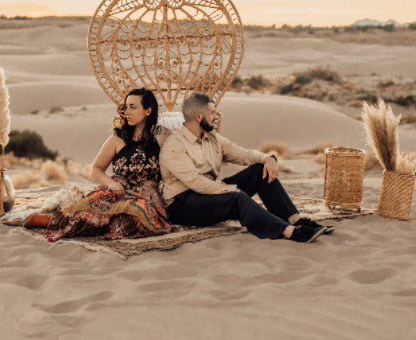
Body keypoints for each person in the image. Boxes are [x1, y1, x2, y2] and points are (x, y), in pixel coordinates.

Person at [160, 92, 330, 243]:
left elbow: (242, 154)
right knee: (236, 198)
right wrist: (230, 189)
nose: (216, 117)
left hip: (209, 193)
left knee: (258, 171)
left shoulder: (212, 138)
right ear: (199, 117)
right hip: (183, 204)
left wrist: (266, 158)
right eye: (212, 113)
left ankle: (295, 219)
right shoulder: (174, 145)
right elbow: (196, 183)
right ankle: (290, 232)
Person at [24, 88, 171, 241]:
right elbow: (96, 169)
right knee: (94, 211)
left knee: (131, 221)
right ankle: (47, 221)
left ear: (148, 111)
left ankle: (92, 226)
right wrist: (111, 183)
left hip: (145, 197)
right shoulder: (118, 139)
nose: (127, 112)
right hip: (118, 191)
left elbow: (181, 131)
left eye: (133, 107)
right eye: (126, 107)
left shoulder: (160, 136)